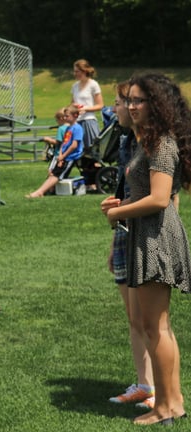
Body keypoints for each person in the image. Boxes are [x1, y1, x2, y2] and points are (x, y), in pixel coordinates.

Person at [101, 73, 191, 426]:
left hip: (156, 238)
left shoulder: (162, 144)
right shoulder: (149, 141)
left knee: (157, 328)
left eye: (139, 100)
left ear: (157, 105)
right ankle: (172, 402)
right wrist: (122, 203)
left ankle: (168, 406)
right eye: (131, 100)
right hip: (146, 235)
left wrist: (117, 211)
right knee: (155, 327)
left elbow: (159, 198)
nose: (131, 106)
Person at [106, 81, 153, 410]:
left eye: (121, 102)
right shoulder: (126, 142)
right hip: (124, 233)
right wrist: (114, 237)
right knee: (134, 318)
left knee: (151, 319)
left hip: (148, 236)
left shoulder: (154, 144)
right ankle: (144, 384)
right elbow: (126, 193)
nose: (117, 108)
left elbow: (167, 198)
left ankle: (160, 390)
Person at [26, 104, 84, 198]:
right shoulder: (68, 128)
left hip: (70, 157)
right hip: (63, 156)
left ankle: (40, 192)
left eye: (67, 116)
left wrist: (63, 155)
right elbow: (64, 144)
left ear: (75, 115)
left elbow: (74, 145)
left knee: (56, 175)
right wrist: (60, 154)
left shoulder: (78, 128)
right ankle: (42, 191)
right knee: (53, 174)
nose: (65, 118)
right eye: (64, 116)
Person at [71, 59, 104, 149]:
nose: (75, 74)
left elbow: (100, 105)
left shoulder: (93, 84)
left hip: (88, 121)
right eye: (74, 71)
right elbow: (72, 104)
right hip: (77, 122)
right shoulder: (75, 86)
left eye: (77, 71)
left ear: (84, 71)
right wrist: (73, 108)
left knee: (92, 150)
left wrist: (85, 109)